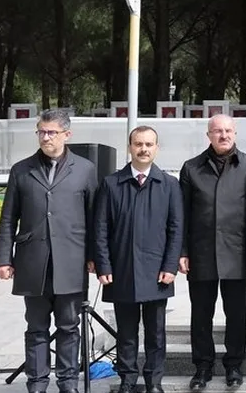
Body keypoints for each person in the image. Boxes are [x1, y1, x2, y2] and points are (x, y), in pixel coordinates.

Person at [0, 109, 99, 393]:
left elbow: (95, 218)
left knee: (68, 326)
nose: (45, 137)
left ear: (67, 134)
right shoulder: (22, 169)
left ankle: (67, 383)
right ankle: (37, 384)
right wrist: (3, 258)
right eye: (41, 131)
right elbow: (8, 217)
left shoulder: (86, 170)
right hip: (33, 262)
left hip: (71, 261)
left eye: (52, 132)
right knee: (36, 327)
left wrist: (95, 257)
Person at [92, 126, 183, 393]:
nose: (144, 149)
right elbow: (100, 229)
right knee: (126, 333)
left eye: (149, 144)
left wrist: (170, 266)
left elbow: (176, 229)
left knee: (156, 333)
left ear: (157, 148)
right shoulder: (111, 184)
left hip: (157, 272)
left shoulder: (169, 185)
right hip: (122, 270)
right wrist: (103, 265)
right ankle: (128, 380)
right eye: (138, 144)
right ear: (129, 147)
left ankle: (154, 382)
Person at [178, 114, 246, 389]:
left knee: (236, 314)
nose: (223, 135)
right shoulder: (191, 168)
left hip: (237, 253)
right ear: (208, 135)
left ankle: (234, 365)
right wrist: (183, 251)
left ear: (235, 133)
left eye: (227, 131)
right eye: (217, 131)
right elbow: (182, 215)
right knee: (201, 314)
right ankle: (202, 366)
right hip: (201, 253)